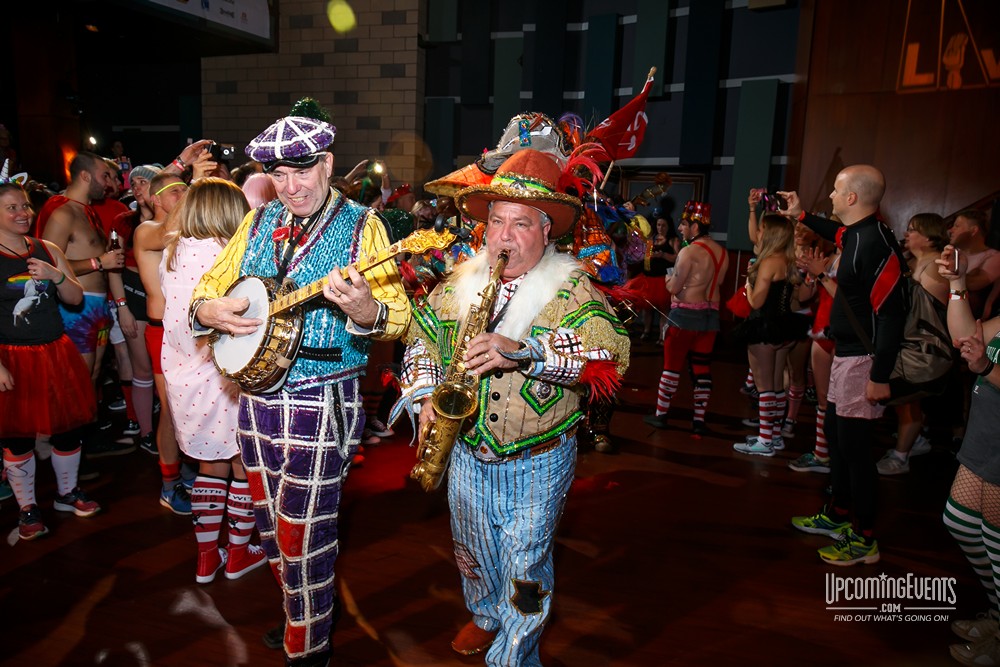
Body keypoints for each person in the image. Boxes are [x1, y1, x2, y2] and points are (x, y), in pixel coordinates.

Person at [189, 113, 409, 667]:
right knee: (270, 524)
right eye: (279, 174)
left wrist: (366, 310)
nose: (290, 187)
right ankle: (300, 609)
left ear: (328, 164)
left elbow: (399, 316)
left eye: (302, 171)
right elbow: (209, 286)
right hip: (254, 398)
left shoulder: (363, 227)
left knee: (305, 531)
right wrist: (207, 310)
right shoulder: (258, 220)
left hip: (322, 398)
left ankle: (308, 646)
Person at [395, 149, 630, 664]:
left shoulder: (573, 288)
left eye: (520, 224)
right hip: (466, 453)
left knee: (526, 568)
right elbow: (420, 338)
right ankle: (485, 614)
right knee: (472, 552)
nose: (504, 236)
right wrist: (426, 394)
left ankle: (515, 654)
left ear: (547, 232)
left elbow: (610, 355)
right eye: (497, 221)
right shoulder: (460, 282)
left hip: (538, 460)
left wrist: (526, 352)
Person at [784, 164, 907, 566]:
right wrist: (801, 214)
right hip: (846, 353)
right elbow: (830, 228)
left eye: (837, 191)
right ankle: (837, 514)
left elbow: (891, 315)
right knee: (837, 439)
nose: (832, 197)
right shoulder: (852, 233)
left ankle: (864, 538)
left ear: (852, 197)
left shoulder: (876, 242)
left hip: (863, 361)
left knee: (855, 451)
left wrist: (879, 375)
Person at [160, 177, 267, 583]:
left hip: (183, 375)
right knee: (242, 463)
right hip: (223, 376)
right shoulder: (227, 257)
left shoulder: (172, 254)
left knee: (210, 465)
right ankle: (237, 553)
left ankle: (207, 558)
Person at [0, 179, 100, 540]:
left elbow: (74, 298)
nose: (22, 213)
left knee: (67, 428)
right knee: (18, 437)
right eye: (11, 208)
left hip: (56, 351)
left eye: (25, 206)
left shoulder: (47, 248)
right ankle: (27, 508)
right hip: (12, 357)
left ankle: (66, 493)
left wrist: (56, 274)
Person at [938, 241, 1000, 665]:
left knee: (997, 546)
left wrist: (986, 368)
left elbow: (982, 361)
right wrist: (957, 284)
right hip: (985, 434)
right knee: (959, 521)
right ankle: (996, 613)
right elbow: (965, 337)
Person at [643, 200, 729, 436]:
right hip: (710, 317)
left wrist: (668, 279)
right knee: (702, 368)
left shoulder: (688, 252)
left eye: (683, 224)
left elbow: (674, 287)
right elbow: (720, 282)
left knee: (671, 367)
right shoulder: (722, 253)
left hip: (684, 316)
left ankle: (661, 415)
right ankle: (699, 420)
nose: (680, 228)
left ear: (695, 226)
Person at [134, 171, 191, 514]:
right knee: (170, 410)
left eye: (187, 190)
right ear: (155, 199)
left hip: (192, 331)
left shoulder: (189, 230)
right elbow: (168, 230)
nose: (184, 195)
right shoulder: (146, 230)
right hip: (162, 332)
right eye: (176, 191)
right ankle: (169, 484)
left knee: (194, 405)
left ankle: (190, 467)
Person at [876, 213, 950, 475]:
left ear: (929, 237)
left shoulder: (938, 268)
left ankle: (901, 457)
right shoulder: (910, 263)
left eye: (913, 229)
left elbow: (928, 312)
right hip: (907, 343)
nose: (907, 234)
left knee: (902, 395)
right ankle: (914, 441)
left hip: (925, 348)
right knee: (906, 400)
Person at [733, 214, 805, 456]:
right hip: (784, 327)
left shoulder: (768, 262)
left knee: (764, 387)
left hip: (763, 327)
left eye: (762, 229)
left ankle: (765, 441)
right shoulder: (788, 260)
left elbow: (756, 302)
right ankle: (774, 436)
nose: (759, 233)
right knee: (776, 385)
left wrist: (748, 284)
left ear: (771, 233)